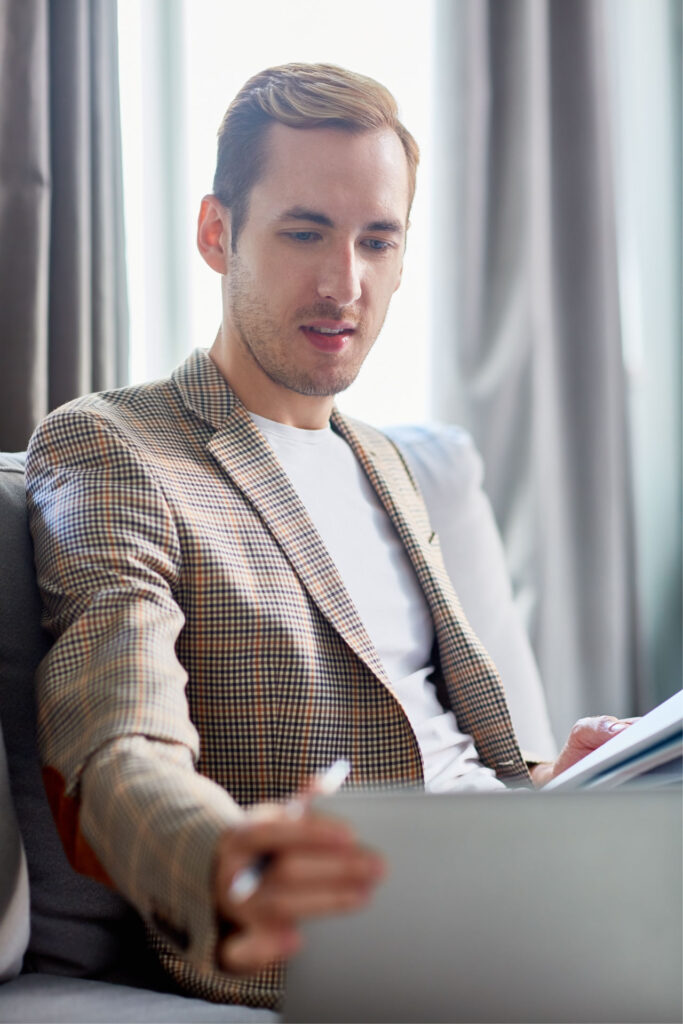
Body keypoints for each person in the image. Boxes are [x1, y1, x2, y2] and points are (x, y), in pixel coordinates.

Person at [25, 63, 634, 1010]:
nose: (342, 283)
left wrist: (568, 775)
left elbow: (432, 739)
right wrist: (224, 860)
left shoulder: (389, 464)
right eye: (304, 232)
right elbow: (114, 740)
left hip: (519, 888)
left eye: (376, 240)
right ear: (216, 233)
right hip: (366, 930)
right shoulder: (116, 446)